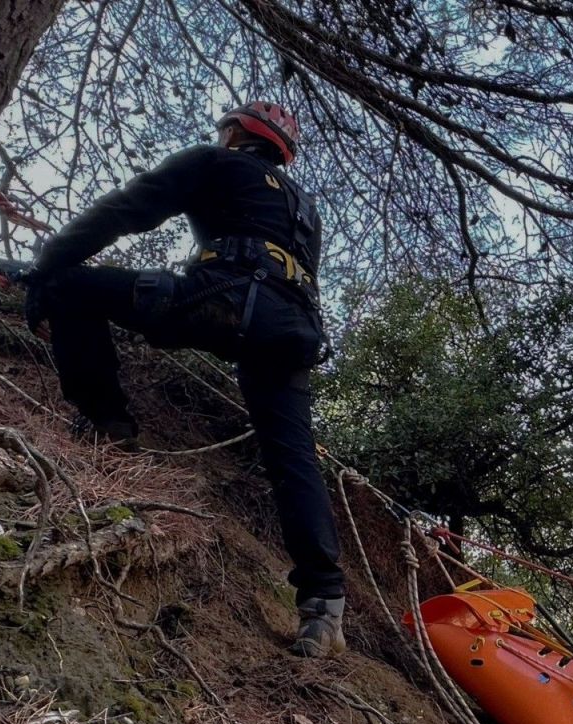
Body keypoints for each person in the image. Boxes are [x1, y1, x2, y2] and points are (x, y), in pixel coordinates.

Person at [23, 101, 346, 658]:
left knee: (70, 286)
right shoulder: (306, 208)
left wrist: (46, 264)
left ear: (237, 134)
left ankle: (109, 422)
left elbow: (125, 210)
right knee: (293, 457)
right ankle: (324, 607)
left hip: (220, 301)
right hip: (294, 330)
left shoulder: (214, 163)